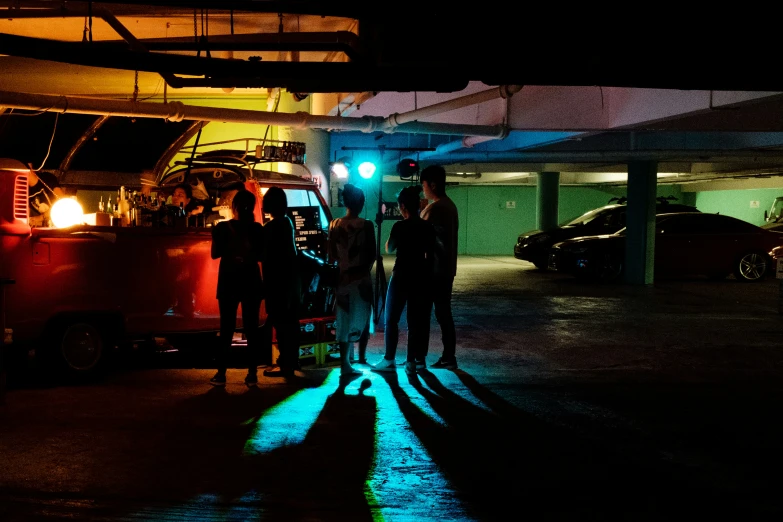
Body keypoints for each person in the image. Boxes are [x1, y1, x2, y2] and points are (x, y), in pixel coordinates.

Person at [371, 185, 435, 375]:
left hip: (401, 276)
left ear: (403, 206)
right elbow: (430, 254)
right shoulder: (426, 226)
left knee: (391, 318)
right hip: (421, 275)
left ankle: (389, 358)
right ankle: (411, 361)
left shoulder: (400, 226)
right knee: (415, 321)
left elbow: (389, 248)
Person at [209, 188, 265, 386]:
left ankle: (221, 373)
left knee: (227, 328)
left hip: (229, 279)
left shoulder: (222, 228)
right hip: (251, 279)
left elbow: (215, 254)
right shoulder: (258, 229)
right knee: (251, 328)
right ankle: (251, 374)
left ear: (233, 207)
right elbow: (262, 256)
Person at [327, 183, 376, 378]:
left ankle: (345, 362)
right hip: (361, 278)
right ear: (361, 203)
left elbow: (330, 255)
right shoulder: (367, 225)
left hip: (342, 278)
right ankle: (362, 357)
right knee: (364, 316)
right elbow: (372, 254)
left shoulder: (334, 225)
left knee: (344, 318)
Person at [420, 165, 459, 369]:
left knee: (433, 314)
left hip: (435, 270)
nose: (423, 189)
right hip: (446, 269)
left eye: (424, 185)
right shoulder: (449, 205)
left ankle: (423, 357)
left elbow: (417, 232)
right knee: (444, 313)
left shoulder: (437, 208)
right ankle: (448, 356)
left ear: (432, 184)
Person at [261, 186, 302, 378]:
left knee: (281, 322)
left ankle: (285, 364)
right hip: (290, 281)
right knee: (290, 323)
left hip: (276, 282)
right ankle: (291, 361)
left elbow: (262, 254)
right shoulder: (287, 222)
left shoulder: (271, 227)